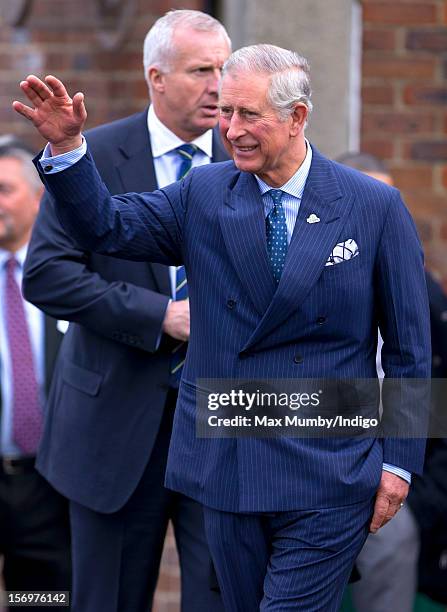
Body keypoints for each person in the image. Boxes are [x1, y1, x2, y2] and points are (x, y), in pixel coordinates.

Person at [13, 43, 431, 611]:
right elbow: (108, 228)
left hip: (331, 467)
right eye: (226, 112)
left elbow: (410, 349)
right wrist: (67, 148)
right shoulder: (205, 192)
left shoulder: (372, 206)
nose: (230, 130)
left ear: (297, 117)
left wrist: (399, 461)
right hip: (231, 461)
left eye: (248, 115)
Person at [20, 10, 230, 612]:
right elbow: (48, 274)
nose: (218, 84)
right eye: (201, 70)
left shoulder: (249, 157)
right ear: (156, 77)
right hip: (111, 420)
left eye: (224, 68)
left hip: (225, 426)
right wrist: (158, 314)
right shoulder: (91, 155)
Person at [337, 151, 447, 612]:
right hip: (307, 477)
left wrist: (422, 501)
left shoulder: (426, 293)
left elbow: (437, 403)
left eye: (392, 202)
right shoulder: (302, 280)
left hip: (397, 490)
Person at [0, 140, 71, 609]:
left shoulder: (66, 274)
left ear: (38, 197)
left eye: (3, 190)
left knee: (39, 600)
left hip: (46, 484)